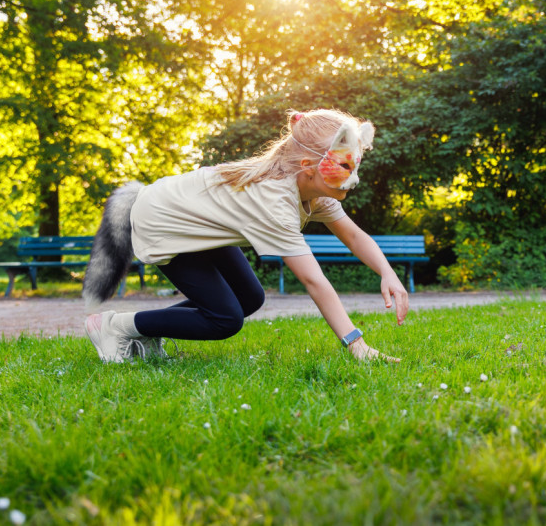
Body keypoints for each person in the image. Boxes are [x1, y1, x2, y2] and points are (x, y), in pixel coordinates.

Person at [81, 109, 409, 364]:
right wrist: (356, 344)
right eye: (345, 166)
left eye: (356, 165)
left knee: (249, 299)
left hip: (200, 222)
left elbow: (353, 235)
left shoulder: (314, 191)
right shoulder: (276, 200)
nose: (355, 178)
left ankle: (147, 332)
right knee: (225, 319)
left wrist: (387, 272)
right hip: (166, 221)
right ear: (308, 165)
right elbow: (314, 281)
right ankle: (113, 326)